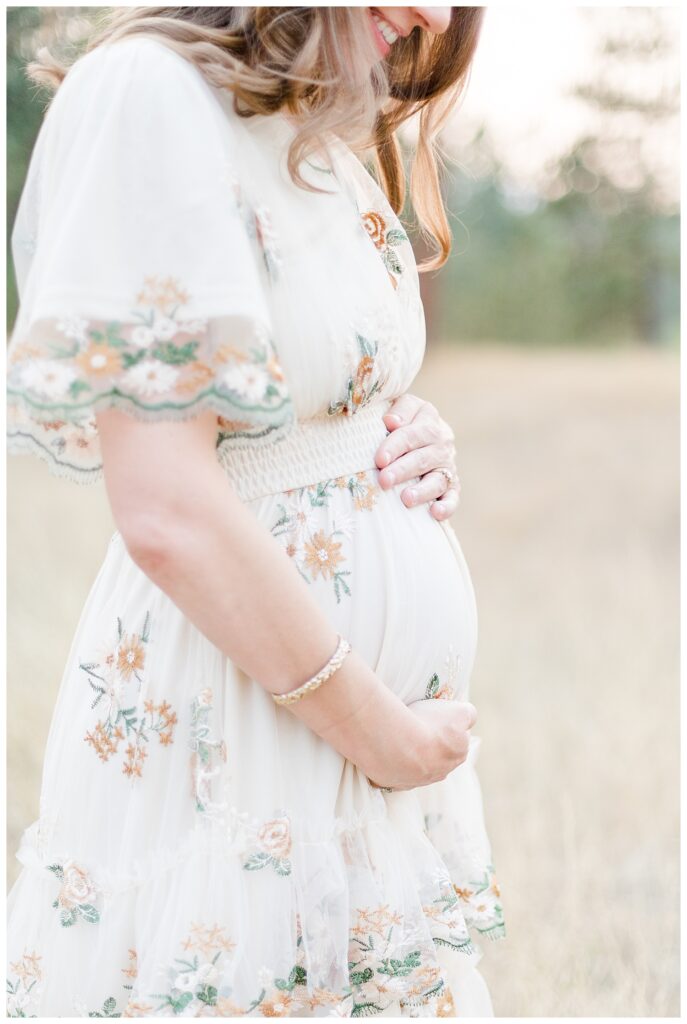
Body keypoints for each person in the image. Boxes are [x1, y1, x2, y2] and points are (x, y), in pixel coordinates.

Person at [6, 6, 505, 1018]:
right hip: (234, 738)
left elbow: (310, 393)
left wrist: (401, 434)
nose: (432, 16)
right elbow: (168, 509)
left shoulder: (319, 122)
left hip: (350, 770)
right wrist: (384, 738)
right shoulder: (149, 95)